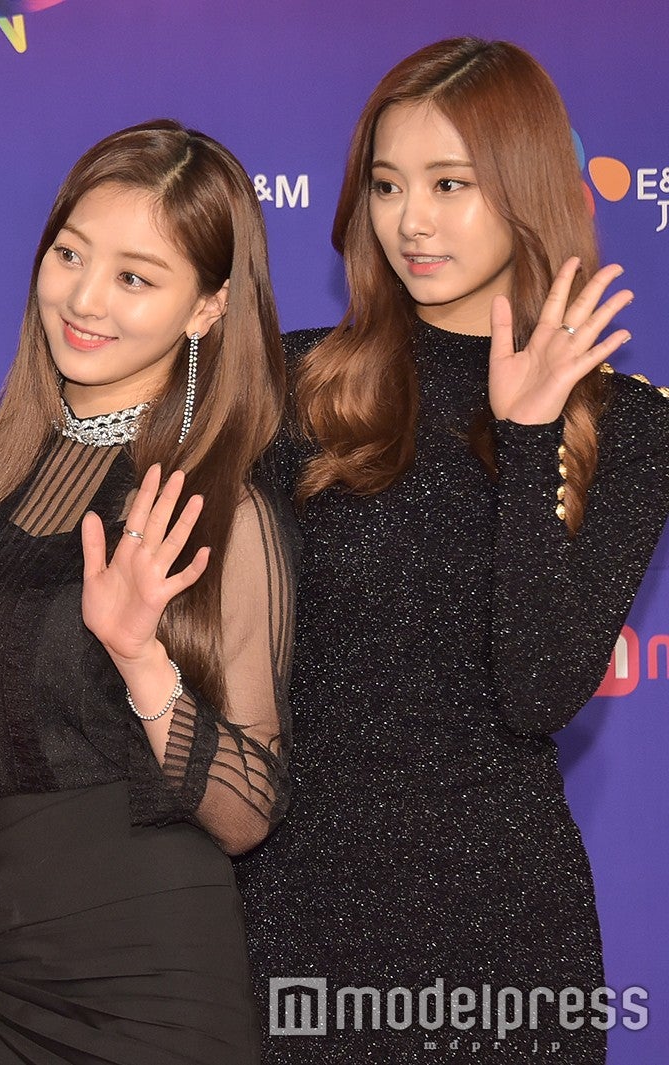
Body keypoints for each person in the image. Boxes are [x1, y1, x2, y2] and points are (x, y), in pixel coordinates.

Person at [234, 38, 669, 1064]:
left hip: (504, 932)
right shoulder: (298, 385)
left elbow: (537, 689)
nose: (410, 221)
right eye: (386, 185)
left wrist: (529, 437)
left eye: (449, 184)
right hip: (299, 912)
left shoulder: (630, 426)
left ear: (524, 187)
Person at [0, 120, 293, 1065]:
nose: (85, 299)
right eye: (70, 255)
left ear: (206, 308)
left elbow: (250, 809)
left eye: (135, 277)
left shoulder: (223, 510)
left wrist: (141, 658)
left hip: (149, 980)